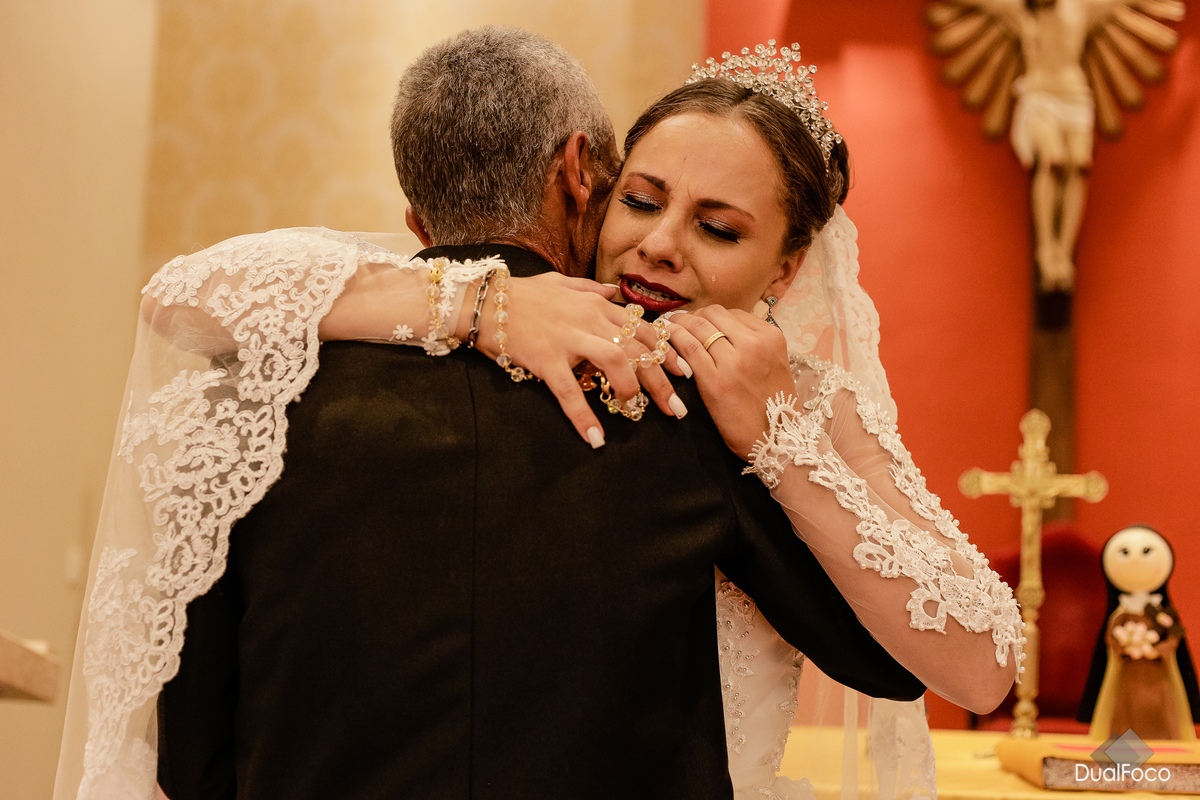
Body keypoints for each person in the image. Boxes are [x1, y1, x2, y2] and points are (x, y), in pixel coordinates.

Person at [54, 27, 931, 800]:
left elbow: (194, 762)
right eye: (635, 195)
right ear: (580, 174)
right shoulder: (671, 392)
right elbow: (882, 659)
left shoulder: (244, 399)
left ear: (413, 221)